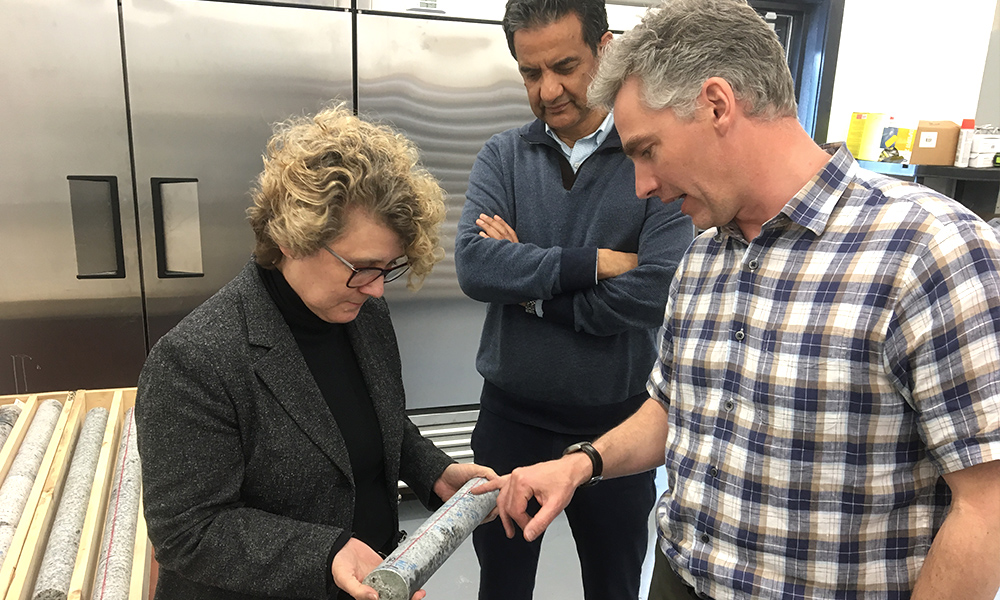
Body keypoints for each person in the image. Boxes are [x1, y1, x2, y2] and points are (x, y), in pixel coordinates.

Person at [484, 1, 1000, 599]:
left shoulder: (931, 250)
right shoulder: (704, 256)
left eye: (647, 150)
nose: (642, 186)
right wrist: (582, 463)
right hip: (681, 577)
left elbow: (985, 504)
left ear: (716, 105)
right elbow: (674, 407)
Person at [135, 105, 496, 600]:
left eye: (387, 268)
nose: (377, 289)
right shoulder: (195, 360)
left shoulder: (363, 314)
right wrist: (326, 555)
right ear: (291, 237)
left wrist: (434, 473)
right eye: (363, 267)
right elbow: (187, 531)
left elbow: (379, 422)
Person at [453, 0, 694, 598]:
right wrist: (595, 263)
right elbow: (476, 267)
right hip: (510, 422)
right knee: (502, 586)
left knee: (614, 586)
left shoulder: (649, 156)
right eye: (530, 73)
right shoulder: (503, 155)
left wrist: (532, 291)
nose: (548, 90)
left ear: (605, 49)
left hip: (618, 430)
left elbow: (656, 290)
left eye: (564, 66)